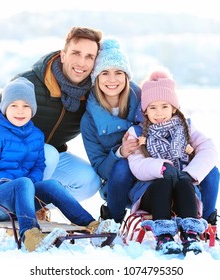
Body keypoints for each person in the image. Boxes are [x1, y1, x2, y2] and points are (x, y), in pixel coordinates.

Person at [0, 77, 119, 252]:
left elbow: (39, 166)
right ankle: (31, 236)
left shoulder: (36, 135)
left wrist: (28, 186)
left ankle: (91, 225)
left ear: (32, 109)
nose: (20, 111)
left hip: (20, 197)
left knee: (51, 185)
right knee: (23, 182)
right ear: (5, 108)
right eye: (14, 105)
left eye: (26, 106)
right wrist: (16, 183)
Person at [0, 27, 103, 202]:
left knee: (89, 180)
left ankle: (37, 206)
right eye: (76, 53)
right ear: (63, 55)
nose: (82, 62)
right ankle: (16, 202)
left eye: (89, 56)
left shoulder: (92, 94)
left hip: (49, 159)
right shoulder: (28, 83)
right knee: (48, 153)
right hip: (12, 159)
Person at [126, 69, 218, 255]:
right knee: (164, 182)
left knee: (184, 182)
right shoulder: (137, 133)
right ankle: (164, 237)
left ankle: (190, 234)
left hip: (182, 193)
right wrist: (161, 167)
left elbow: (209, 149)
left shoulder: (186, 129)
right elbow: (136, 164)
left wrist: (191, 173)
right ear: (145, 110)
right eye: (152, 107)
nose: (158, 113)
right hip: (152, 193)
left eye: (164, 106)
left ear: (174, 108)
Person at [80, 38, 142, 223]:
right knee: (122, 166)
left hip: (150, 171)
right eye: (105, 73)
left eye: (118, 72)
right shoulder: (89, 120)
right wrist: (120, 152)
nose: (112, 80)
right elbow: (100, 167)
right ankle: (113, 220)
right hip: (117, 183)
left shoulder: (143, 101)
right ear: (96, 78)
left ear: (126, 76)